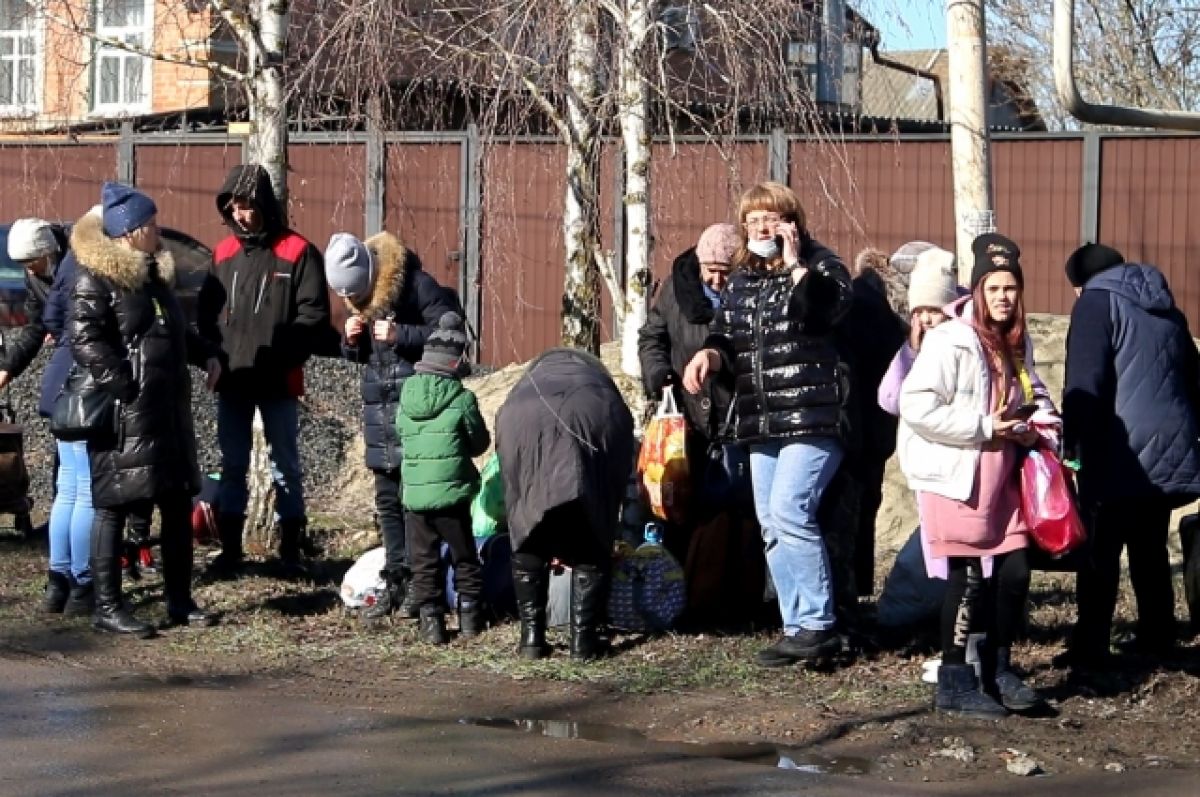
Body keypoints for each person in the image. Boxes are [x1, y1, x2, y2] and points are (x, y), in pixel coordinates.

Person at [682, 181, 853, 667]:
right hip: (761, 419)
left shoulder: (822, 265)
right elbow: (726, 335)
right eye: (752, 220)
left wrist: (798, 266)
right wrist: (710, 356)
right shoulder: (742, 279)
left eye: (770, 218)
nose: (760, 228)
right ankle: (795, 624)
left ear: (791, 222)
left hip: (813, 414)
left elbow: (827, 312)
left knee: (791, 510)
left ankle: (820, 625)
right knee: (771, 525)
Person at [898, 233, 1056, 717]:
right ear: (978, 290)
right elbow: (916, 404)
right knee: (967, 579)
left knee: (1015, 572)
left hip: (1003, 473)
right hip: (957, 473)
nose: (1004, 297)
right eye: (994, 288)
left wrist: (1043, 426)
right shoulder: (952, 339)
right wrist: (985, 426)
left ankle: (998, 668)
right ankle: (954, 679)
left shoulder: (1016, 340)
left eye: (1011, 288)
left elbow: (1036, 392)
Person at [69, 185, 222, 636]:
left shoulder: (154, 277)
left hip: (167, 414)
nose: (158, 230)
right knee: (114, 507)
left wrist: (207, 353)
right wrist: (124, 383)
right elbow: (84, 339)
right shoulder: (94, 277)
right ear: (132, 232)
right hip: (124, 416)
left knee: (176, 503)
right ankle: (108, 606)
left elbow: (170, 333)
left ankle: (179, 600)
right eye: (152, 223)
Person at [1058, 244, 1200, 667]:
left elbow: (1086, 382)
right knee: (1150, 547)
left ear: (1081, 285)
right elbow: (1191, 375)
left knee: (1100, 550)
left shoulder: (1096, 305)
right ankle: (1158, 639)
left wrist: (1073, 452)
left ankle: (1091, 648)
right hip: (1168, 450)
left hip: (1116, 449)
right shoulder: (1166, 306)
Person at [197, 164, 332, 577]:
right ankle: (232, 551)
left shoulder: (298, 251)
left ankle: (290, 550)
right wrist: (213, 355)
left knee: (286, 467)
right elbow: (204, 315)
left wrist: (282, 356)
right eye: (234, 208)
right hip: (234, 379)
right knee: (233, 464)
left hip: (279, 378)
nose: (240, 215)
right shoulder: (222, 254)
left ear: (264, 204)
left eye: (247, 206)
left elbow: (314, 317)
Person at [326, 232, 454, 621]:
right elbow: (368, 358)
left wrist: (402, 334)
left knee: (413, 504)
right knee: (387, 503)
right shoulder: (364, 302)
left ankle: (422, 583)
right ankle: (396, 579)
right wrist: (351, 343)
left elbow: (451, 333)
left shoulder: (417, 285)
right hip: (379, 416)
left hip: (416, 414)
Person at [495, 348, 634, 660]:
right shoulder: (602, 389)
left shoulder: (527, 383)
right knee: (590, 530)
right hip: (592, 418)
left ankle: (531, 638)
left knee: (528, 532)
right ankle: (583, 642)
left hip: (520, 420)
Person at [1, 219, 93, 614]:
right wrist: (7, 369)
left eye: (32, 264)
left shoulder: (78, 260)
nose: (28, 273)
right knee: (77, 487)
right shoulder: (61, 272)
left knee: (73, 486)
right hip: (81, 384)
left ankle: (65, 579)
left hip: (68, 382)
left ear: (47, 251)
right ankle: (74, 581)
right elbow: (37, 327)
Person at [637, 223, 738, 556]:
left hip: (736, 424)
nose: (717, 280)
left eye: (726, 272)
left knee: (731, 515)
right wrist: (660, 375)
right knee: (680, 509)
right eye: (711, 271)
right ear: (698, 262)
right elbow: (652, 338)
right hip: (686, 422)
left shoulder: (748, 297)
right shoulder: (674, 291)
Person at [394, 312, 490, 645]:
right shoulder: (462, 398)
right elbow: (479, 444)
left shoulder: (406, 395)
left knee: (424, 561)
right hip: (452, 495)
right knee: (464, 557)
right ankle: (469, 620)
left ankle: (431, 625)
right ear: (455, 362)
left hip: (416, 498)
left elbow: (401, 434)